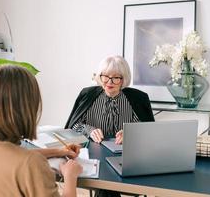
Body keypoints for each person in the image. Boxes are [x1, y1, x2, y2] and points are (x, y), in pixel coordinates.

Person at [0, 65, 82, 197]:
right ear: (27, 107)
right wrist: (70, 176)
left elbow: (10, 158)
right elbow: (22, 160)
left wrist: (59, 151)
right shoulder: (31, 164)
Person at [65, 55, 154, 197]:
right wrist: (90, 130)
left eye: (116, 78)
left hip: (126, 157)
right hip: (94, 155)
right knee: (106, 181)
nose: (109, 82)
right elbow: (73, 125)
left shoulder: (137, 98)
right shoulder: (87, 95)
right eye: (105, 76)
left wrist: (130, 133)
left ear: (123, 79)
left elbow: (147, 129)